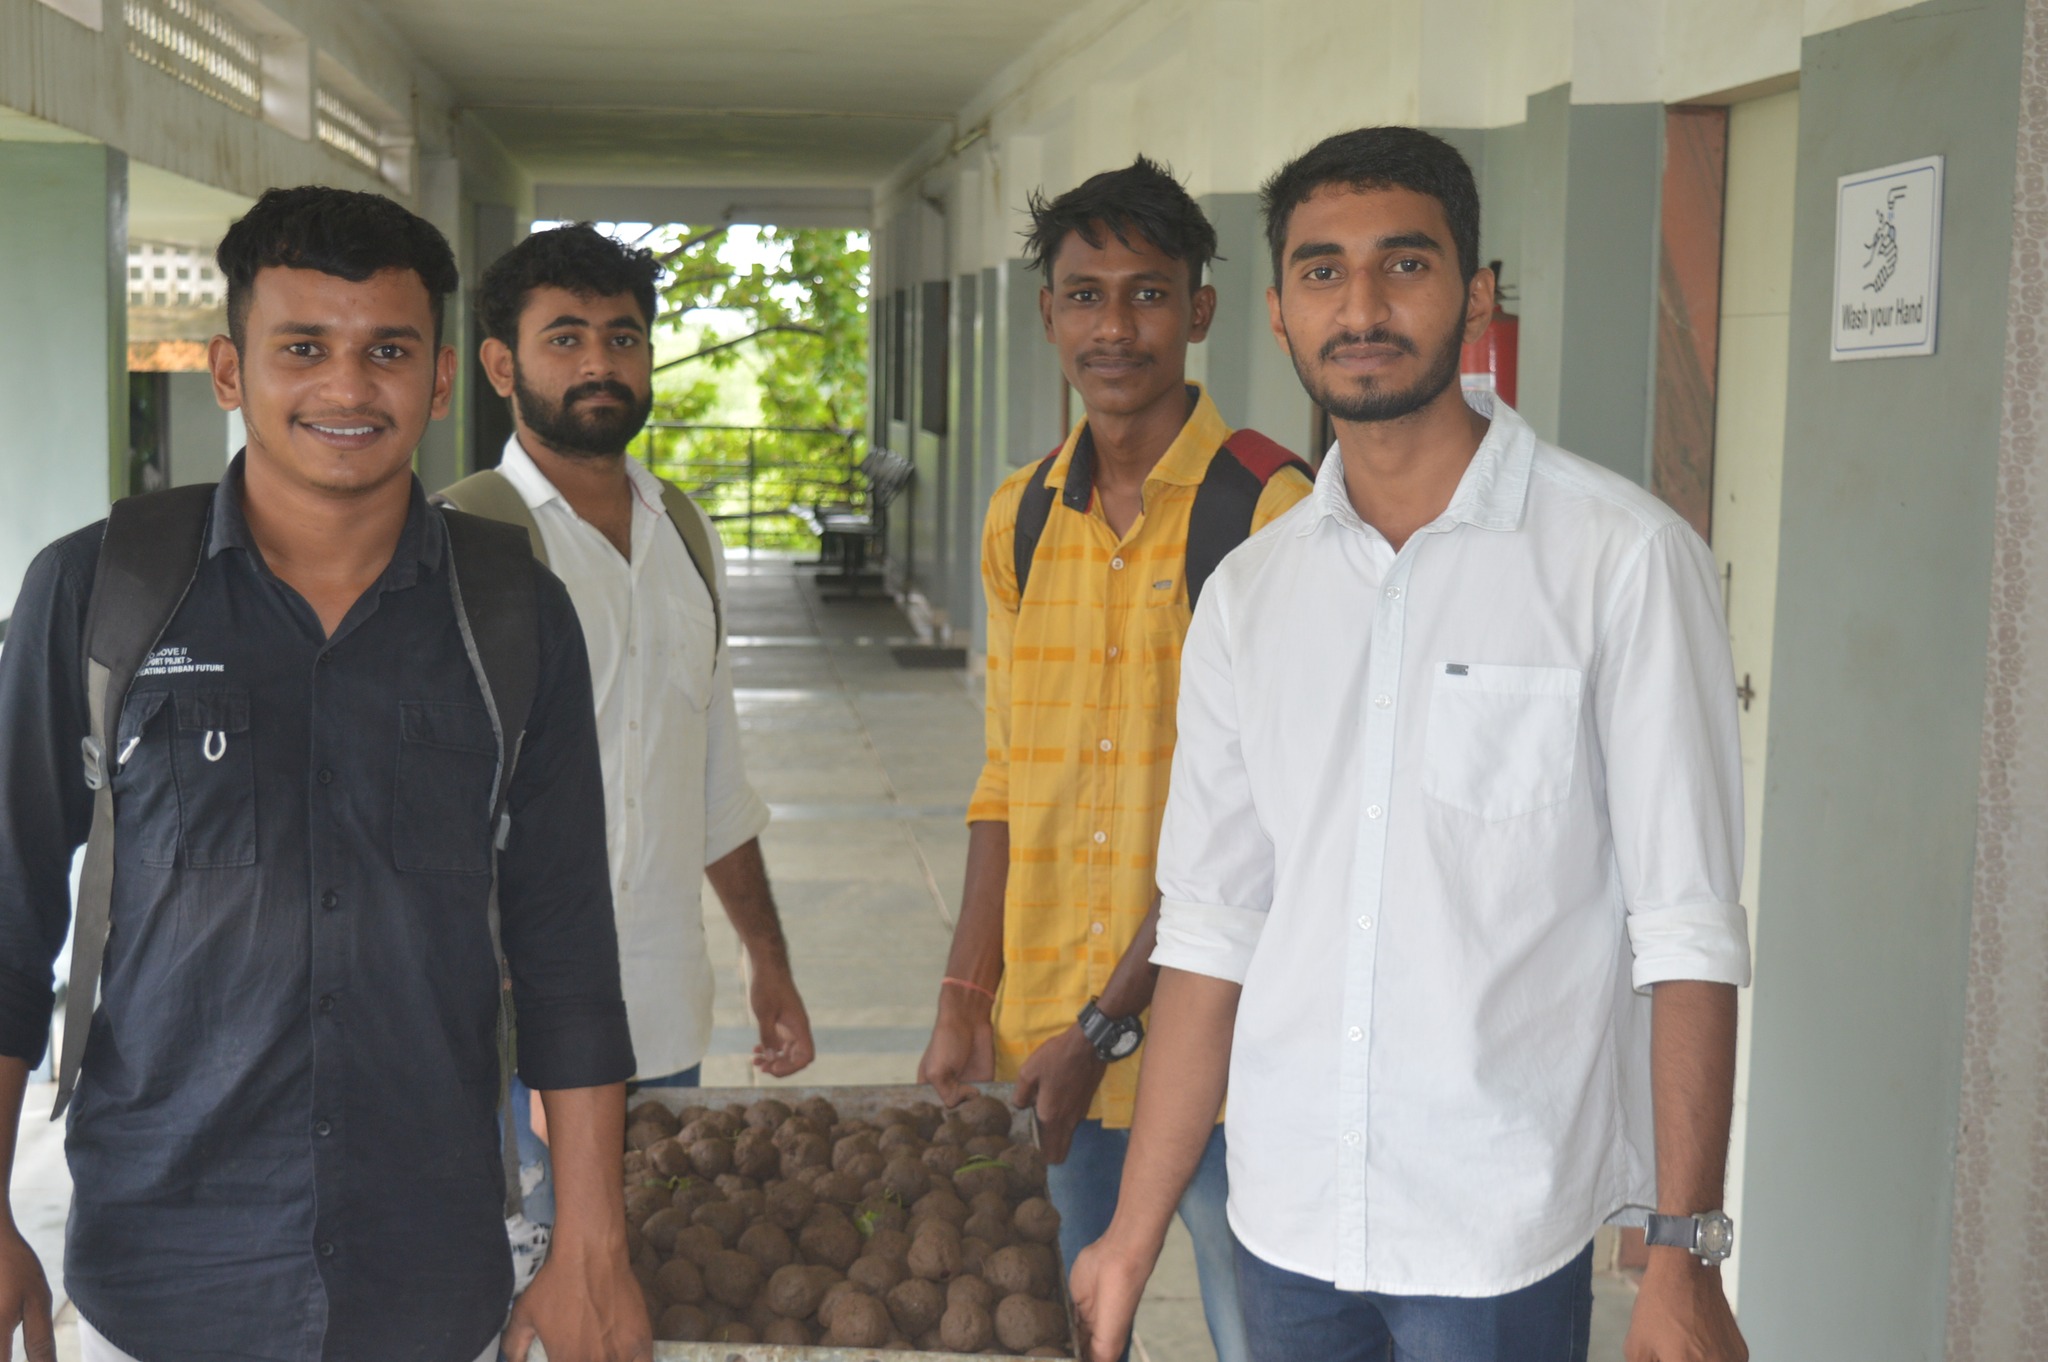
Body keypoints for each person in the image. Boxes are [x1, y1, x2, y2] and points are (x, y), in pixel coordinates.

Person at [1069, 127, 1753, 1362]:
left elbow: (1686, 926)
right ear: (1277, 312)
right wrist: (1129, 1233)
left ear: (1474, 296)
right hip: (1284, 1218)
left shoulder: (1620, 561)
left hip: (1494, 1229)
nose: (1361, 307)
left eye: (1404, 265)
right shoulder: (1250, 597)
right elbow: (1211, 930)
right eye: (1321, 272)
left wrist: (1683, 1248)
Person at [0, 187, 649, 1362]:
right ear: (229, 371)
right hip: (164, 1268)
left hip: (432, 1270)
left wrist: (590, 1246)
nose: (348, 389)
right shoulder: (96, 594)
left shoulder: (510, 614)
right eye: (302, 348)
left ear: (440, 381)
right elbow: (7, 912)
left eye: (386, 351)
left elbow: (565, 942)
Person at [918, 156, 1313, 1362]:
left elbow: (1269, 827)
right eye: (1085, 296)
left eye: (1147, 295)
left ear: (1198, 311)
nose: (1114, 327)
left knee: (1263, 1339)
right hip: (1042, 1040)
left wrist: (1104, 1026)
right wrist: (965, 997)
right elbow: (1004, 776)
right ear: (1048, 315)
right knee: (1060, 1334)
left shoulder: (1267, 512)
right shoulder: (1020, 515)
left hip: (1221, 1052)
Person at [447, 224, 813, 1270]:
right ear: (501, 365)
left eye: (623, 337)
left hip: (661, 1018)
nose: (599, 363)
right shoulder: (461, 542)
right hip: (510, 1044)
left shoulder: (683, 531)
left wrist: (767, 961)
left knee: (645, 1287)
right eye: (564, 339)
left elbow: (712, 779)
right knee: (519, 1299)